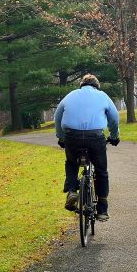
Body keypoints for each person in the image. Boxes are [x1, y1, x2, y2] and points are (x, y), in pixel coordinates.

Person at [54, 73, 120, 221]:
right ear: (97, 86)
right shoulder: (102, 95)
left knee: (71, 163)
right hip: (95, 137)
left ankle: (72, 191)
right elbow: (114, 117)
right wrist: (114, 136)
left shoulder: (70, 95)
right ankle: (102, 209)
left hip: (72, 136)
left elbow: (57, 117)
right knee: (101, 170)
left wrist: (61, 137)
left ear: (81, 85)